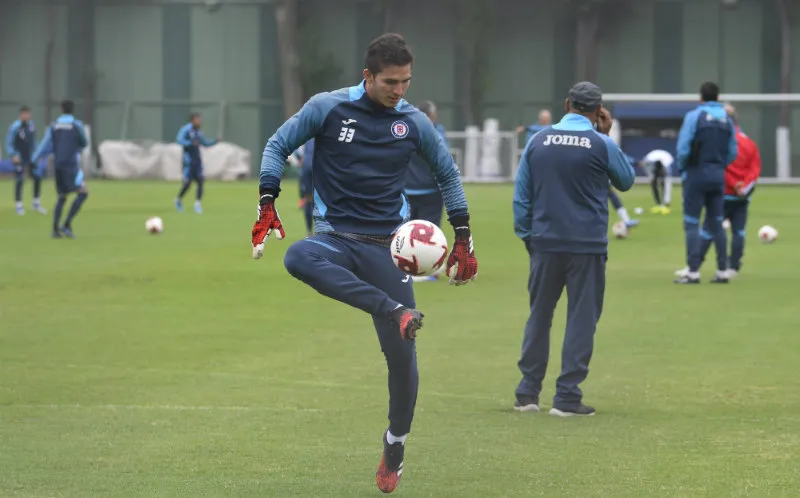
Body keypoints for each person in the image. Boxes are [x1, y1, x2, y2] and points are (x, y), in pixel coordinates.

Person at [250, 33, 478, 494]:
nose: (399, 90)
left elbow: (448, 175)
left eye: (406, 82)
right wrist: (267, 200)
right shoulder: (327, 108)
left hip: (388, 248)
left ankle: (395, 442)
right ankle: (393, 311)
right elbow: (276, 145)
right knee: (298, 255)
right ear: (367, 76)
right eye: (390, 82)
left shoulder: (414, 122)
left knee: (403, 358)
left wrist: (464, 237)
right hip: (336, 238)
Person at [512, 82, 635, 417]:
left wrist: (528, 237)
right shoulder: (599, 143)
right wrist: (606, 135)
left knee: (539, 315)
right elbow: (625, 180)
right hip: (587, 245)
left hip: (545, 242)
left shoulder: (538, 140)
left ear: (566, 104)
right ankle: (566, 397)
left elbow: (522, 196)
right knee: (581, 318)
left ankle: (527, 394)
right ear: (599, 112)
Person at [677, 103, 761, 280]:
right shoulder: (750, 144)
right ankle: (733, 267)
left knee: (709, 230)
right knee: (739, 232)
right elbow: (755, 170)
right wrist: (743, 187)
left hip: (724, 192)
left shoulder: (721, 139)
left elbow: (722, 165)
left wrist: (732, 184)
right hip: (742, 196)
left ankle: (694, 267)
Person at [673, 82, 737, 284]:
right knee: (716, 222)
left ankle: (693, 272)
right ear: (718, 98)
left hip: (696, 173)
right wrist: (719, 165)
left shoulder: (694, 116)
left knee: (692, 222)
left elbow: (683, 148)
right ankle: (722, 270)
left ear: (701, 97)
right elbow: (733, 151)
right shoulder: (727, 119)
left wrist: (684, 167)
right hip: (718, 175)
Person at [30, 100, 89, 238]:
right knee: (83, 193)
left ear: (61, 109)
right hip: (71, 165)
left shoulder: (54, 125)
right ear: (72, 109)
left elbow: (44, 144)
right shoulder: (76, 125)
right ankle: (66, 224)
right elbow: (84, 142)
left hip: (58, 165)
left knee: (62, 196)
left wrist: (34, 159)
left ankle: (55, 230)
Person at [404, 100, 448, 282]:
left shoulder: (404, 132)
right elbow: (443, 162)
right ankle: (429, 270)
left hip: (407, 190)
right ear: (431, 115)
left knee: (408, 231)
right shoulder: (436, 133)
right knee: (430, 232)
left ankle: (407, 267)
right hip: (430, 191)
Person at [6, 106, 46, 215]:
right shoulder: (15, 127)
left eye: (28, 114)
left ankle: (36, 203)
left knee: (37, 178)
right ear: (21, 115)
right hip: (19, 157)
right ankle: (19, 205)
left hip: (30, 157)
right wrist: (13, 154)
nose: (26, 116)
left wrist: (37, 153)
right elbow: (9, 143)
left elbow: (33, 142)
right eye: (24, 114)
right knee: (20, 180)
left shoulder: (31, 126)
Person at [175, 113, 217, 214]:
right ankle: (178, 199)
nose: (200, 122)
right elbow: (179, 140)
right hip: (188, 161)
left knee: (200, 181)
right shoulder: (186, 129)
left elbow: (204, 143)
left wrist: (215, 141)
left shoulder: (198, 132)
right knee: (187, 183)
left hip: (197, 161)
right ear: (192, 120)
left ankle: (197, 204)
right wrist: (189, 143)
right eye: (198, 120)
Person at [643, 149, 674, 214]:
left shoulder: (666, 164)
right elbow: (648, 170)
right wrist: (651, 176)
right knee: (654, 185)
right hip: (655, 173)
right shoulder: (650, 162)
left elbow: (667, 175)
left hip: (664, 174)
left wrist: (664, 177)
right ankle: (659, 204)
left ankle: (666, 203)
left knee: (665, 185)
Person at [299, 138, 315, 236]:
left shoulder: (306, 137)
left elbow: (300, 157)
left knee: (309, 200)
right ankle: (323, 231)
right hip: (316, 168)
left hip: (306, 169)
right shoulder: (324, 135)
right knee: (322, 199)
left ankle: (309, 231)